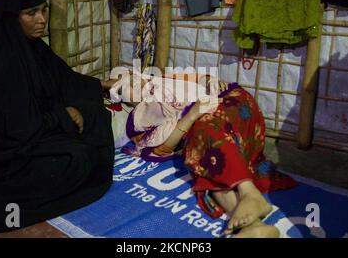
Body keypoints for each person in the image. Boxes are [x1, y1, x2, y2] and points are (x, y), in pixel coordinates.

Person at [0, 0, 115, 236]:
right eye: (31, 13)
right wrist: (64, 116)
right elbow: (16, 130)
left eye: (43, 9)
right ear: (12, 16)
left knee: (96, 114)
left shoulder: (32, 47)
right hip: (3, 153)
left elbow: (64, 79)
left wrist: (101, 85)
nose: (41, 19)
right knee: (79, 157)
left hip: (35, 127)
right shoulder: (1, 61)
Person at [111, 72, 297, 238]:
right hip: (210, 141)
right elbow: (162, 149)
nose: (137, 85)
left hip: (231, 104)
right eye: (129, 86)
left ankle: (249, 192)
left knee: (203, 135)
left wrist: (208, 81)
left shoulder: (168, 81)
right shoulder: (140, 120)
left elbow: (201, 79)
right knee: (203, 167)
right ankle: (254, 227)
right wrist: (191, 115)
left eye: (135, 79)